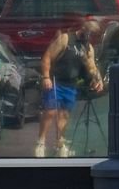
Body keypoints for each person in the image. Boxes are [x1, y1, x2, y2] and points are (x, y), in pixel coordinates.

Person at [34, 19, 104, 158]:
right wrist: (46, 77)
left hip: (70, 83)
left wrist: (99, 80)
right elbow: (47, 57)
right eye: (88, 32)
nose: (89, 36)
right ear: (83, 29)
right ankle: (41, 142)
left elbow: (92, 67)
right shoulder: (66, 39)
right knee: (51, 111)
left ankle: (60, 143)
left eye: (92, 35)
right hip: (55, 80)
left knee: (64, 115)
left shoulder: (88, 48)